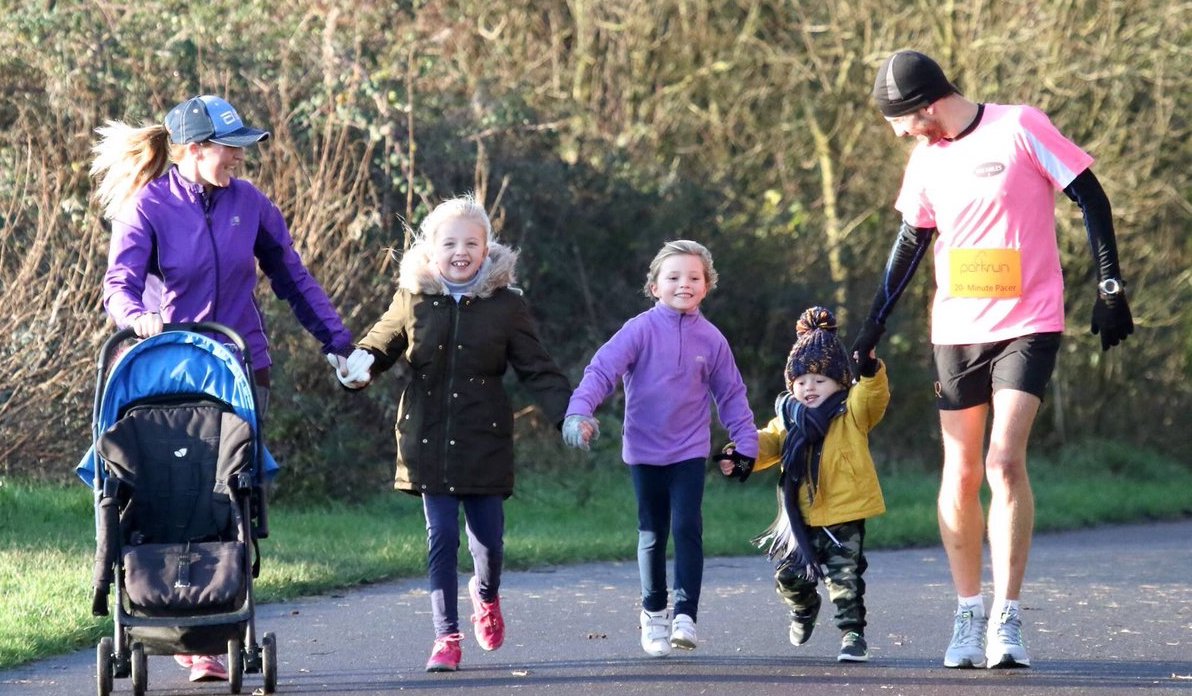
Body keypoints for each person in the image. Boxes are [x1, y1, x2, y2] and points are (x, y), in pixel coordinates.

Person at [856, 50, 1135, 669]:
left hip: (1029, 323)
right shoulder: (926, 159)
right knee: (960, 471)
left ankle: (1007, 620)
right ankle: (966, 613)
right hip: (956, 328)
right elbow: (910, 242)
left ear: (924, 105)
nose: (897, 132)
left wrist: (1110, 285)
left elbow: (1091, 196)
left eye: (898, 120)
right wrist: (871, 325)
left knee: (1004, 461)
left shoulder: (1021, 126)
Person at [91, 95, 354, 682]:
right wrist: (135, 316)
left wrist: (339, 343)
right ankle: (184, 627)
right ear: (191, 150)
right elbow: (119, 282)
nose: (239, 156)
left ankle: (218, 620)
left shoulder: (250, 203)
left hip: (238, 369)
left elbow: (293, 277)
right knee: (169, 493)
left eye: (240, 146)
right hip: (166, 375)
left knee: (228, 493)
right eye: (227, 147)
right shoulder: (149, 206)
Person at [334, 194, 572, 673]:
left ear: (487, 250)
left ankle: (486, 596)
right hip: (427, 437)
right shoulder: (412, 298)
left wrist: (569, 414)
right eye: (450, 242)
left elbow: (538, 369)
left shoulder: (506, 307)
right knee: (440, 537)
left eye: (471, 242)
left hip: (485, 439)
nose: (460, 251)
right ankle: (446, 637)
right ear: (431, 248)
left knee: (488, 544)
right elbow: (378, 343)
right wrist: (356, 368)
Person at [562, 240, 758, 658]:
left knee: (688, 525)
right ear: (654, 287)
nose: (683, 284)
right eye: (673, 277)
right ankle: (654, 614)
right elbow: (603, 369)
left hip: (689, 450)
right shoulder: (639, 330)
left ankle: (685, 615)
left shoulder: (712, 340)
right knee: (652, 532)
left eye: (694, 277)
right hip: (645, 451)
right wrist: (579, 411)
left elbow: (732, 396)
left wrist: (746, 445)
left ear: (707, 286)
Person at [718, 306, 889, 663]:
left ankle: (852, 635)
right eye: (801, 381)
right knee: (790, 578)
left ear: (840, 382)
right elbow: (767, 442)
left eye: (820, 380)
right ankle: (804, 608)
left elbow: (873, 396)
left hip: (843, 512)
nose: (809, 388)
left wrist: (870, 369)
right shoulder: (788, 418)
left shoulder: (852, 411)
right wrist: (740, 454)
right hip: (801, 519)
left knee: (845, 579)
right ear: (791, 385)